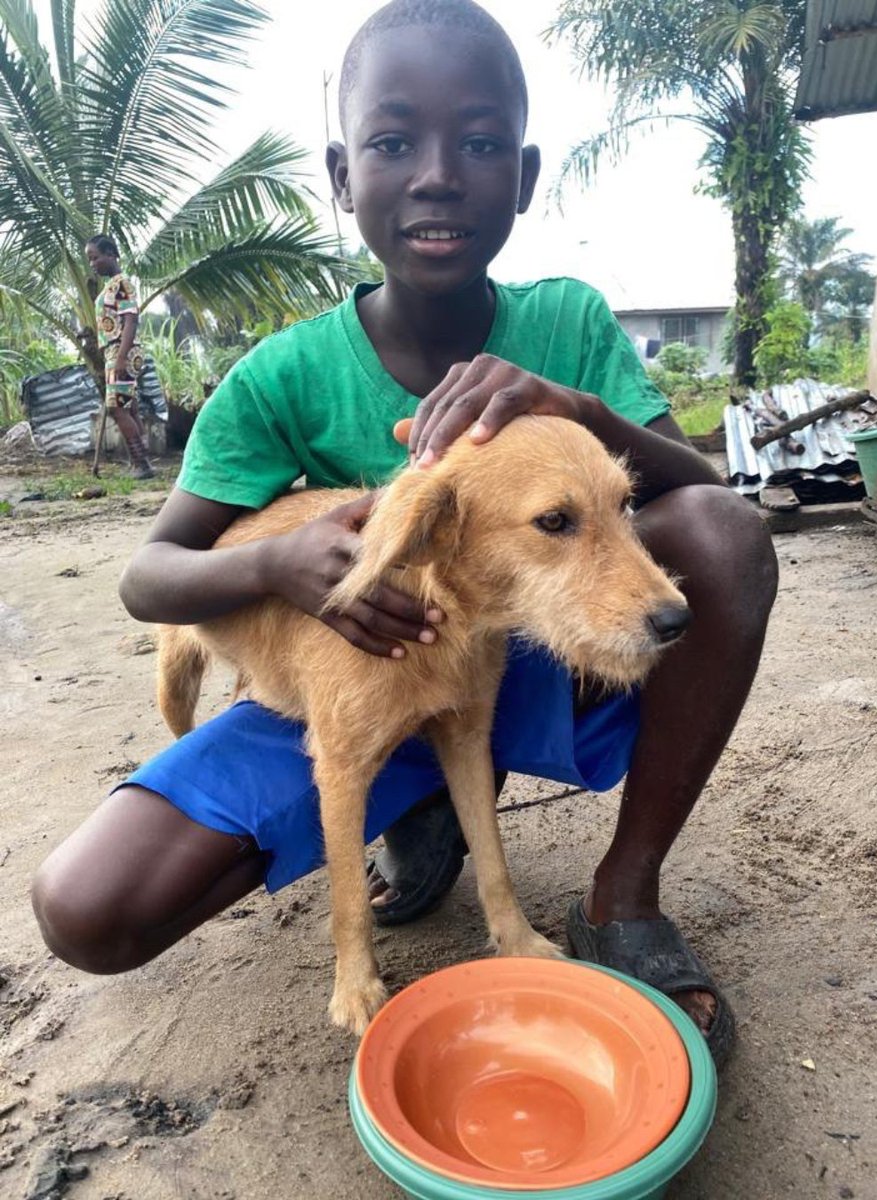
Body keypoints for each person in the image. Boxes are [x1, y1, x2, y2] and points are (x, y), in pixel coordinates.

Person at [33, 0, 778, 1067]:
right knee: (89, 909)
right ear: (343, 175)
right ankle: (409, 798)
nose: (437, 174)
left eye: (478, 144)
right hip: (347, 665)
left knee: (720, 533)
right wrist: (282, 565)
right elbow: (148, 578)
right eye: (393, 143)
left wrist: (578, 409)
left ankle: (623, 897)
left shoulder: (567, 319)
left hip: (498, 649)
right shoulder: (280, 373)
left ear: (520, 177)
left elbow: (703, 498)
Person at [85, 234, 155, 479]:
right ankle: (139, 462)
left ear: (111, 254)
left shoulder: (122, 284)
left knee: (116, 408)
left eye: (95, 257)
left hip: (122, 349)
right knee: (129, 407)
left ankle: (142, 464)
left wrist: (122, 357)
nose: (92, 264)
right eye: (89, 259)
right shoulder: (111, 285)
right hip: (115, 350)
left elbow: (131, 319)